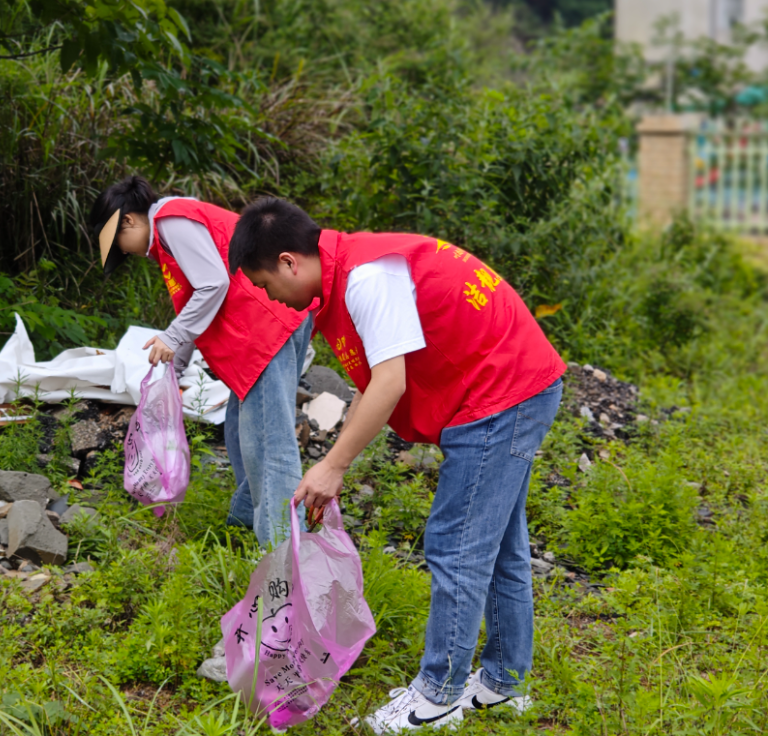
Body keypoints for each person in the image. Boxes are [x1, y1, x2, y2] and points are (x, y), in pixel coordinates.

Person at [228, 197, 566, 731]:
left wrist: (335, 467)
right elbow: (372, 387)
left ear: (290, 262)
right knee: (500, 543)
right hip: (510, 387)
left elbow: (391, 384)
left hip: (502, 397)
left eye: (266, 283)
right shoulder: (352, 269)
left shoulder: (366, 279)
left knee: (457, 544)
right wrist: (333, 460)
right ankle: (503, 683)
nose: (271, 296)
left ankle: (437, 698)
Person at [89, 177, 310, 546]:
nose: (125, 253)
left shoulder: (171, 220)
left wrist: (172, 338)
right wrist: (172, 370)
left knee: (269, 444)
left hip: (267, 325)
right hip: (258, 335)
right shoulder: (168, 243)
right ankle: (245, 530)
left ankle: (286, 556)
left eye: (119, 247)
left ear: (127, 221)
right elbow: (196, 306)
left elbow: (213, 284)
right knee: (243, 435)